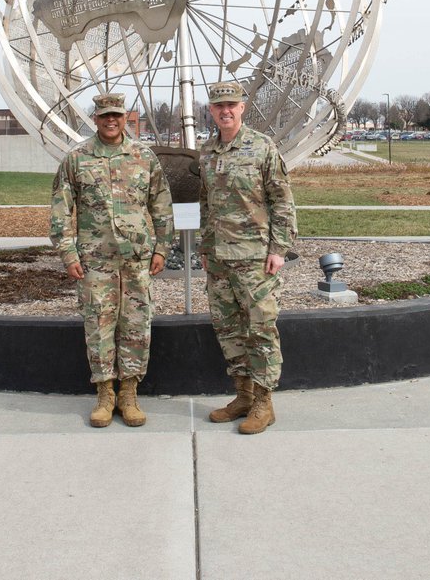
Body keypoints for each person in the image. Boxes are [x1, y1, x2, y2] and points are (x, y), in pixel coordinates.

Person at [50, 93, 174, 428]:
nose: (111, 120)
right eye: (104, 115)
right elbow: (61, 210)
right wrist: (68, 253)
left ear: (124, 117)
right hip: (95, 261)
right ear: (96, 118)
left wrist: (162, 248)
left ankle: (129, 393)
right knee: (98, 325)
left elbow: (161, 205)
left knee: (135, 325)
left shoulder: (142, 157)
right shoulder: (77, 158)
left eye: (116, 115)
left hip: (136, 262)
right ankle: (105, 393)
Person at [198, 80, 297, 435]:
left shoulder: (261, 148)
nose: (225, 110)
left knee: (260, 329)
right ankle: (243, 394)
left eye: (231, 105)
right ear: (211, 110)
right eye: (218, 106)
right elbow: (206, 205)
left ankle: (264, 403)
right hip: (221, 260)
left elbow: (282, 201)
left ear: (242, 108)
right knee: (229, 331)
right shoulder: (208, 152)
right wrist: (207, 250)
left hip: (255, 259)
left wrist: (278, 249)